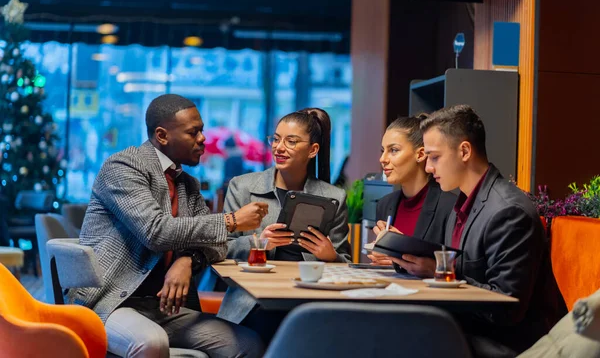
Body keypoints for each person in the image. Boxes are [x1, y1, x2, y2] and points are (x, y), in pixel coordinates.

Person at [70, 94, 266, 358]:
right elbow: (156, 232)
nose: (203, 139)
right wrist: (230, 220)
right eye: (193, 132)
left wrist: (186, 261)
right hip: (111, 301)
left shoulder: (188, 184)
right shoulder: (123, 167)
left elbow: (216, 245)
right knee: (151, 342)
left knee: (248, 344)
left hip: (164, 307)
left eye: (202, 130)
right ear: (162, 135)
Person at [388, 105, 566, 357]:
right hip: (470, 330)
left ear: (464, 151)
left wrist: (443, 274)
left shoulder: (509, 211)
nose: (428, 167)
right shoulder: (461, 202)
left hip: (511, 344)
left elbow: (507, 308)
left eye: (434, 157)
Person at [217, 107, 350, 340]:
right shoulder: (243, 187)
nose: (279, 147)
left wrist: (331, 256)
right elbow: (220, 249)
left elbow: (345, 265)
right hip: (254, 301)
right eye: (276, 139)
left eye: (291, 141)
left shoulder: (334, 197)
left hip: (310, 300)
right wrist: (258, 243)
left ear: (313, 150)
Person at [368, 115, 456, 267]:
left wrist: (400, 256)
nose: (383, 159)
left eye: (393, 150)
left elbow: (456, 266)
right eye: (383, 151)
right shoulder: (384, 204)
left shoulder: (449, 206)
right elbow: (384, 263)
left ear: (421, 154)